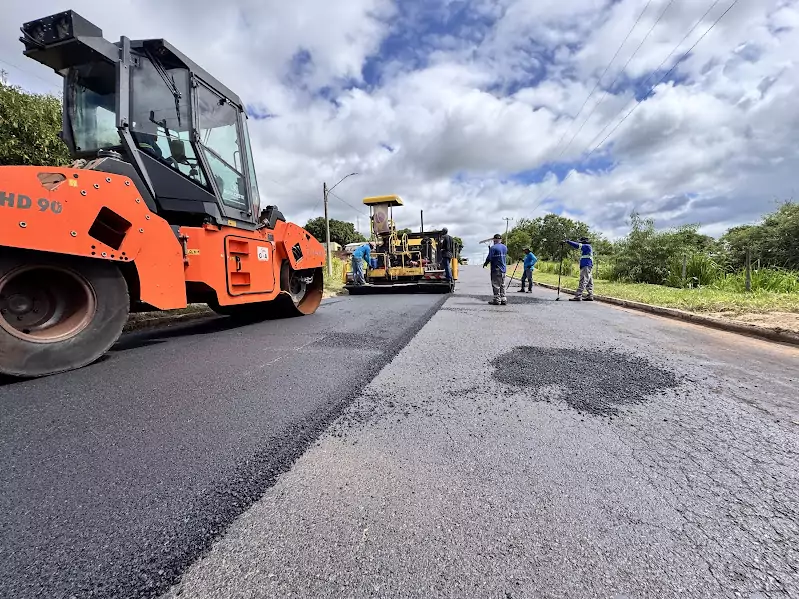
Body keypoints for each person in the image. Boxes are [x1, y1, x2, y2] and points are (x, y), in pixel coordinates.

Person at [565, 236, 593, 301]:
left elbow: (577, 245)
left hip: (586, 266)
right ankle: (590, 296)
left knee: (583, 280)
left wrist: (568, 241)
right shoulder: (587, 248)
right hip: (588, 266)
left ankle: (578, 296)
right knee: (589, 282)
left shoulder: (586, 246)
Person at [483, 233, 508, 305]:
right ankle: (503, 299)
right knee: (502, 284)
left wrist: (486, 263)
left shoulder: (493, 248)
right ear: (501, 240)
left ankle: (497, 299)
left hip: (496, 268)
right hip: (503, 268)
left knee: (496, 284)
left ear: (494, 240)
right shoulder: (505, 247)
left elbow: (489, 258)